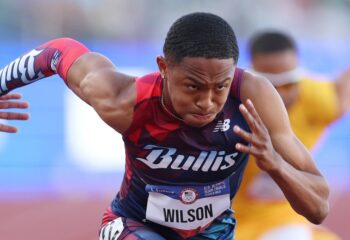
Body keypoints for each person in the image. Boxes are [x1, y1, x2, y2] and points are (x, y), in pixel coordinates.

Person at [0, 13, 330, 240]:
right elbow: (58, 52)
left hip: (213, 231)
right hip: (135, 224)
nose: (207, 102)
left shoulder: (254, 99)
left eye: (220, 87)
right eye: (193, 86)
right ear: (163, 68)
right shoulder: (124, 100)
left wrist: (275, 164)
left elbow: (318, 206)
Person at [233, 31, 350, 240]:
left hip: (283, 219)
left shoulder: (316, 99)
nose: (280, 95)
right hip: (228, 221)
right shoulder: (231, 106)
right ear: (253, 79)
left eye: (288, 84)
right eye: (270, 85)